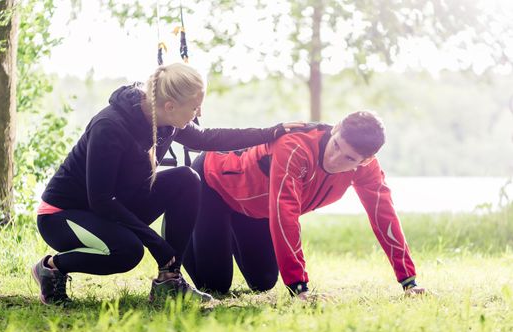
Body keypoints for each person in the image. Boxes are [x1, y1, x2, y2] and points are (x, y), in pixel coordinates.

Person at [31, 62, 301, 305]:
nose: (198, 113)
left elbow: (208, 139)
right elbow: (100, 200)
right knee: (129, 251)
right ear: (170, 106)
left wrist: (271, 132)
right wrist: (155, 241)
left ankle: (169, 281)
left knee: (186, 179)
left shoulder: (166, 121)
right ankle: (51, 267)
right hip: (64, 216)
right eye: (194, 107)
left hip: (112, 207)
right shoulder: (109, 127)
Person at [183, 111, 426, 300]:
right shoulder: (296, 147)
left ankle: (228, 232)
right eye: (337, 145)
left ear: (366, 160)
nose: (335, 159)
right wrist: (299, 288)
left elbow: (384, 217)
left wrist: (409, 281)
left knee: (264, 282)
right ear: (337, 128)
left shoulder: (367, 170)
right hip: (213, 182)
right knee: (215, 285)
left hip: (254, 208)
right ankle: (177, 236)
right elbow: (284, 214)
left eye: (349, 158)